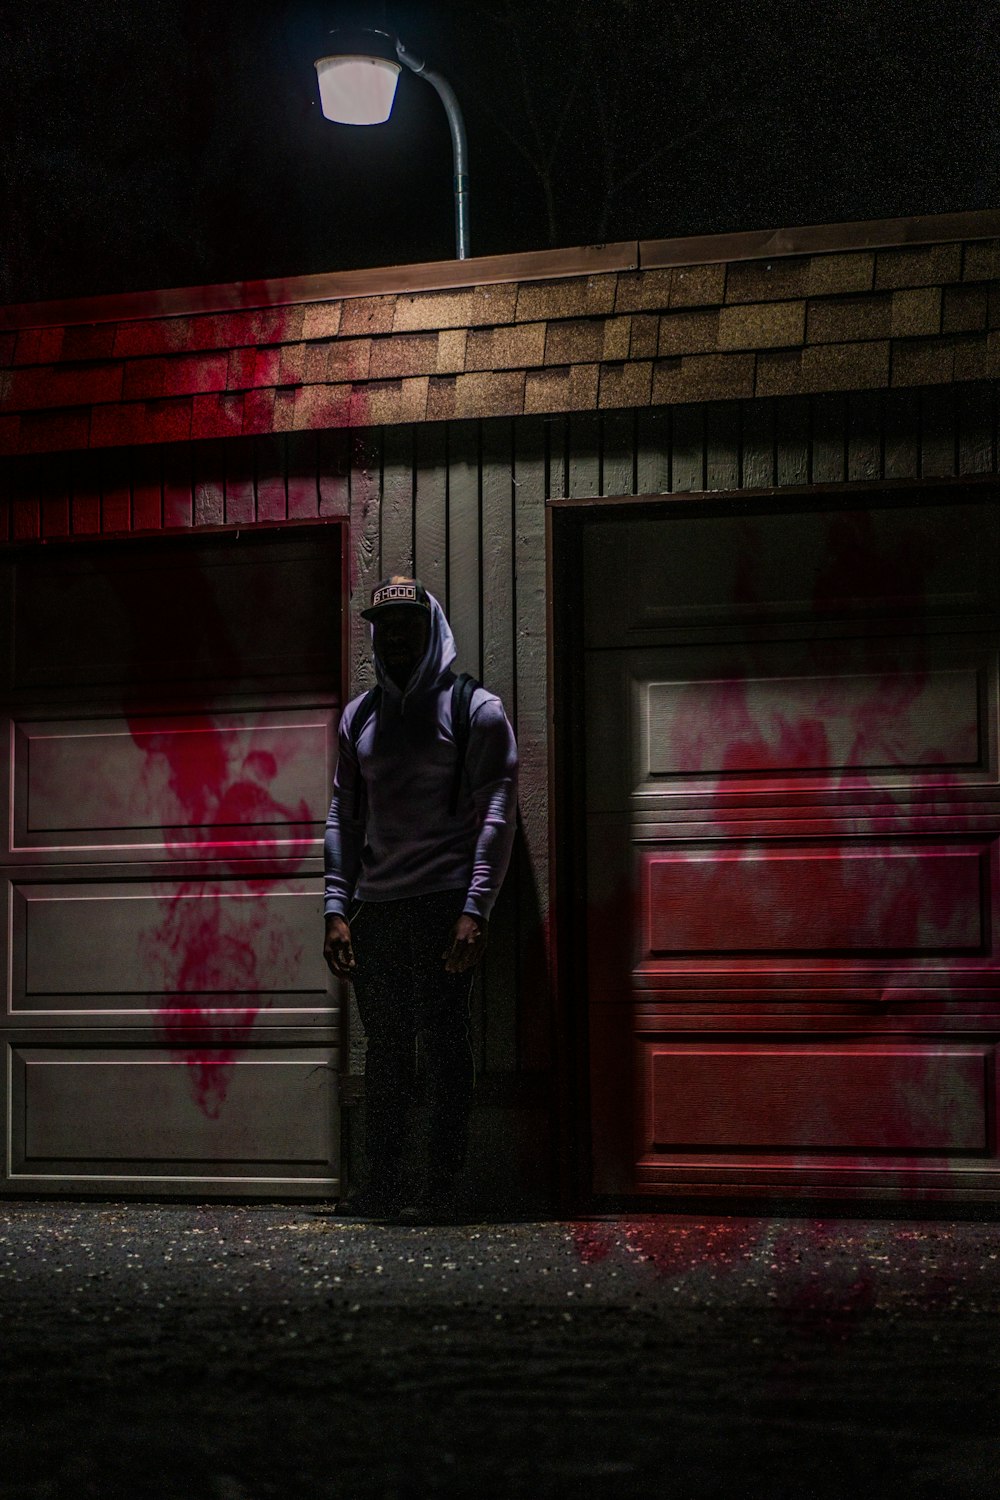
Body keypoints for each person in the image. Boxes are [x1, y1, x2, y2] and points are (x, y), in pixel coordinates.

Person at [323, 576, 518, 1223]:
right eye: (385, 625)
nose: (396, 636)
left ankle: (440, 1184)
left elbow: (497, 813)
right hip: (377, 909)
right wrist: (335, 909)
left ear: (430, 625)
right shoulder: (360, 717)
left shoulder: (474, 710)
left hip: (443, 905)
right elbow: (343, 818)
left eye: (407, 623)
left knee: (442, 1048)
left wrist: (475, 909)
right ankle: (382, 1183)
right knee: (385, 1050)